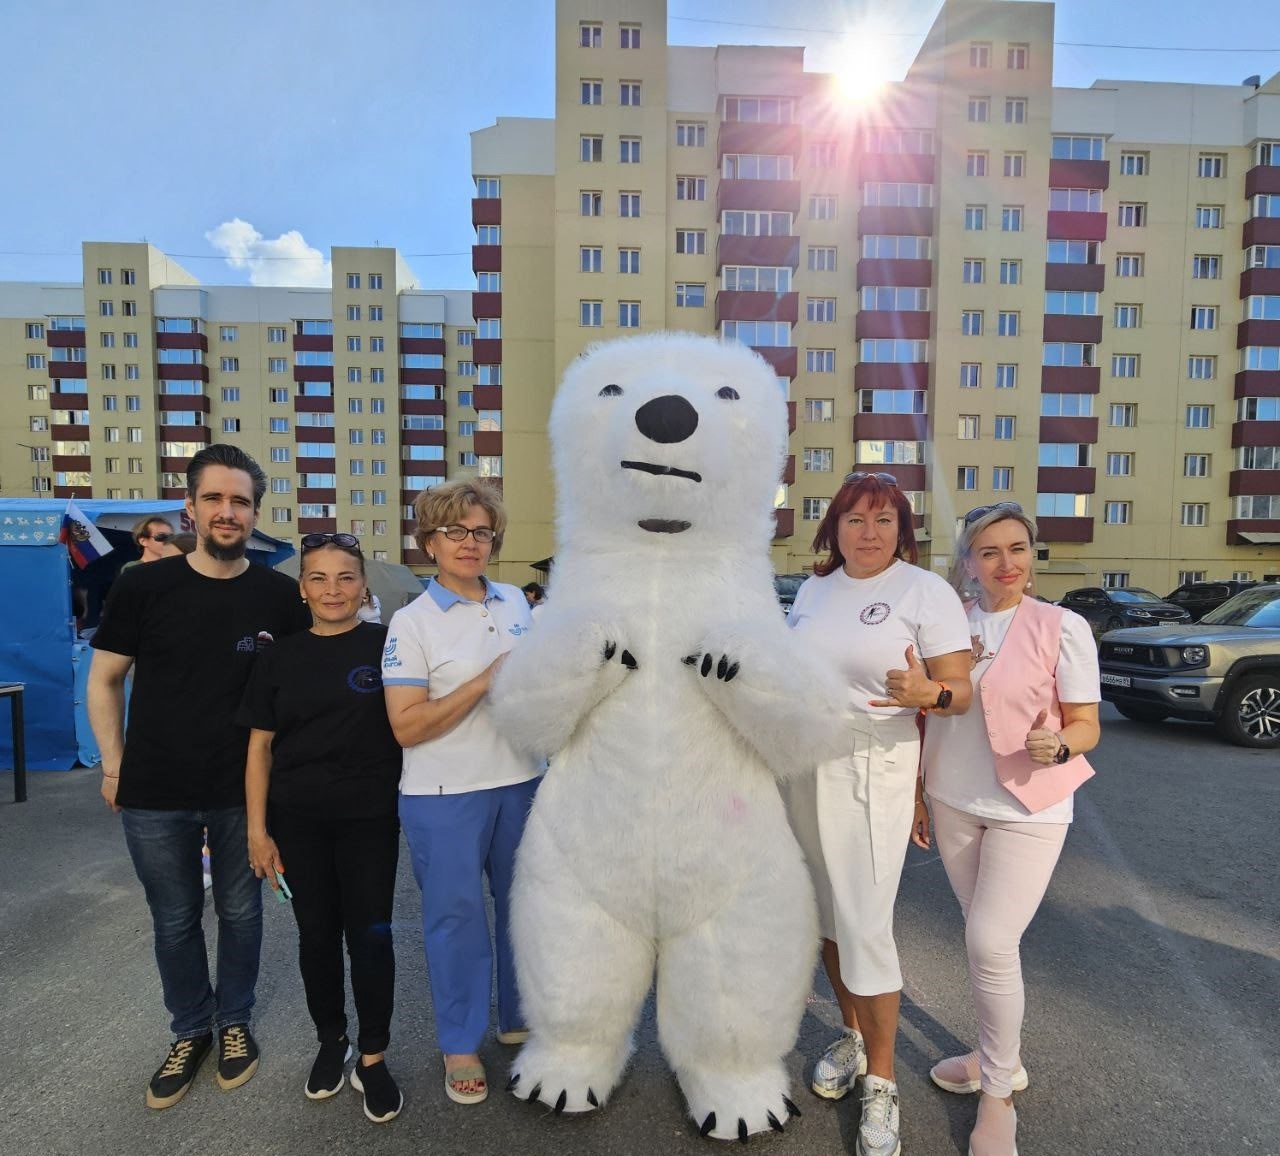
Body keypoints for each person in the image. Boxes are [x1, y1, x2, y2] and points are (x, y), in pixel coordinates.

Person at [87, 444, 311, 1111]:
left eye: (240, 501)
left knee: (241, 913)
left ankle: (234, 1020)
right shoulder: (143, 586)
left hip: (244, 793)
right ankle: (190, 1030)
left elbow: (297, 691)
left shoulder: (279, 595)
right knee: (176, 917)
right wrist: (114, 763)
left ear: (255, 513)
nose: (227, 511)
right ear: (190, 507)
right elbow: (104, 679)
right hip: (155, 790)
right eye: (214, 498)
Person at [785, 471, 973, 1156]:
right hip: (804, 760)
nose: (869, 533)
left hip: (874, 762)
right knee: (827, 915)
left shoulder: (923, 592)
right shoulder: (813, 591)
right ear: (834, 526)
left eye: (884, 520)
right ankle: (853, 1036)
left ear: (903, 530)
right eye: (856, 519)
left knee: (865, 920)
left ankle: (883, 1082)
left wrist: (930, 693)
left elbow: (961, 691)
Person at [920, 502, 1100, 1156]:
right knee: (984, 945)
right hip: (952, 798)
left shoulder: (1062, 626)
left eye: (1017, 548)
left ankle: (998, 1095)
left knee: (991, 942)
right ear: (969, 562)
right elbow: (926, 713)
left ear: (1031, 554)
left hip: (1030, 807)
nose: (1006, 563)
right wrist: (918, 792)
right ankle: (1000, 1055)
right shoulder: (947, 625)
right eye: (989, 551)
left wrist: (1061, 743)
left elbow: (1087, 724)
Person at [382, 480, 540, 1106]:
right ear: (430, 542)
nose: (470, 543)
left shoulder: (516, 601)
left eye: (481, 532)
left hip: (522, 781)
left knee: (526, 908)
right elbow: (406, 726)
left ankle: (520, 1015)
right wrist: (483, 682)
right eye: (454, 532)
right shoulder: (411, 622)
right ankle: (459, 1042)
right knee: (456, 921)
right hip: (444, 793)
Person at [239, 532, 404, 1124]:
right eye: (319, 578)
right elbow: (259, 748)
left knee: (372, 937)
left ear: (363, 588)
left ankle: (374, 1056)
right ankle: (331, 1041)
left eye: (345, 577)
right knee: (316, 937)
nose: (333, 589)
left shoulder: (390, 647)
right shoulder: (278, 657)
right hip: (298, 821)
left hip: (370, 820)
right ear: (302, 589)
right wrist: (258, 832)